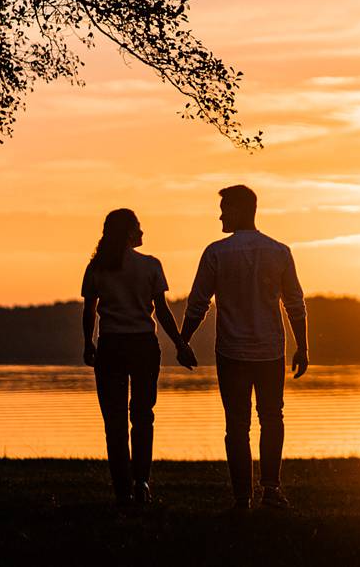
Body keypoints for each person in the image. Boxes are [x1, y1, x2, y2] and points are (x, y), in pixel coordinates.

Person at [179, 184, 309, 510]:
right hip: (270, 350)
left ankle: (242, 498)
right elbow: (295, 304)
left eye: (224, 209)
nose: (220, 215)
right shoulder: (279, 252)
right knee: (271, 417)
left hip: (232, 351)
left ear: (238, 210)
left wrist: (184, 340)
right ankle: (270, 489)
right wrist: (302, 346)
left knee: (237, 424)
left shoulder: (216, 253)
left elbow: (198, 303)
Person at [80, 207, 191, 507]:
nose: (143, 233)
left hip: (111, 347)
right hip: (143, 346)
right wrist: (180, 344)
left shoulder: (97, 268)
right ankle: (141, 482)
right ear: (129, 232)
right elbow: (163, 313)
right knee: (143, 417)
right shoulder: (151, 266)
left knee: (114, 422)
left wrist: (88, 344)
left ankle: (122, 490)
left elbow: (89, 310)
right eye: (139, 227)